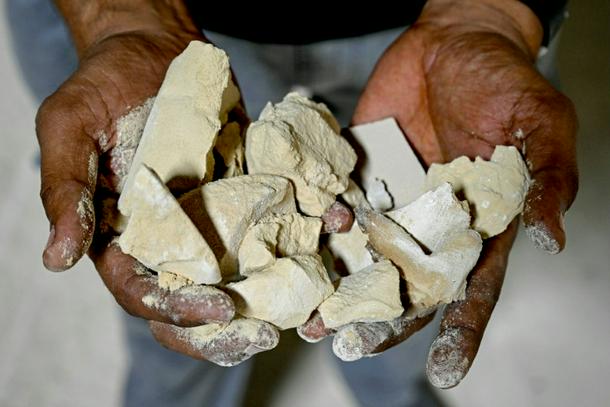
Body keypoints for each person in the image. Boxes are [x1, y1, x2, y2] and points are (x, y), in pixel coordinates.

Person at [7, 0, 578, 406]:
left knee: (402, 316)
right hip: (147, 18)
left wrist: (492, 13)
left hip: (434, 22)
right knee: (176, 313)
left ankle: (391, 391)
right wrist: (117, 14)